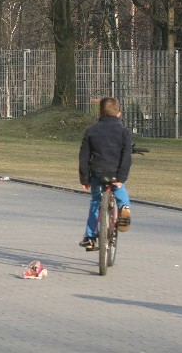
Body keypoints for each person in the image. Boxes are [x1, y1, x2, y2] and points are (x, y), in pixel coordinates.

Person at [78, 96, 133, 250]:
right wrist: (122, 177)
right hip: (116, 171)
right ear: (119, 114)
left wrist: (84, 178)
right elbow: (126, 157)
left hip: (97, 173)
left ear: (100, 114)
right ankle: (125, 208)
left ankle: (90, 237)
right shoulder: (123, 131)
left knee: (96, 202)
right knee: (119, 188)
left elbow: (84, 156)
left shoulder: (91, 131)